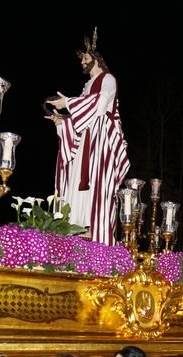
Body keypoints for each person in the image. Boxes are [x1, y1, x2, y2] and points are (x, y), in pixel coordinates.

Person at [46, 27, 130, 246]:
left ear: (96, 58)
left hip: (101, 140)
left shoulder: (107, 79)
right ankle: (76, 227)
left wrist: (70, 103)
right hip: (85, 139)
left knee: (97, 181)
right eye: (82, 59)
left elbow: (100, 105)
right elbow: (81, 114)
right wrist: (62, 121)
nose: (82, 62)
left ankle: (95, 230)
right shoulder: (86, 87)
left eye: (85, 58)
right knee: (76, 180)